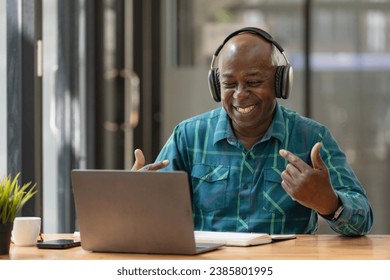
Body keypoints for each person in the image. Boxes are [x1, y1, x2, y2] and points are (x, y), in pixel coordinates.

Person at [132, 27, 373, 236]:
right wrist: (134, 196)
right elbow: (155, 216)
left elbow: (363, 220)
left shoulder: (311, 137)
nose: (239, 94)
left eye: (254, 82)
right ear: (216, 86)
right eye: (228, 84)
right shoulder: (188, 136)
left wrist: (330, 204)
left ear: (280, 83)